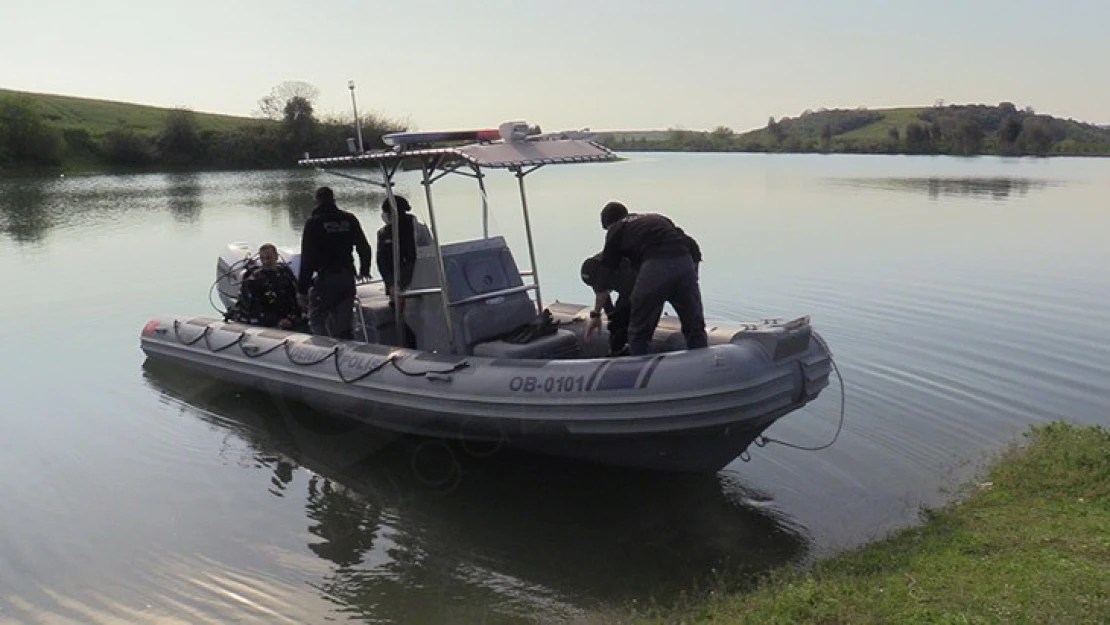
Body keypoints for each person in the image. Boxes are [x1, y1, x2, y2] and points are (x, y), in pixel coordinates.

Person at [594, 201, 708, 356]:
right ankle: (701, 361)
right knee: (694, 326)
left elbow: (605, 277)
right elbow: (692, 246)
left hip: (655, 266)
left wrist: (596, 314)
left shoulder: (616, 229)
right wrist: (692, 278)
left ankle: (636, 366)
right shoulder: (657, 218)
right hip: (684, 263)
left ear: (608, 223)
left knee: (639, 329)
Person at [296, 186, 373, 339]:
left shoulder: (314, 223)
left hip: (326, 279)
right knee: (344, 326)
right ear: (334, 200)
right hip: (346, 277)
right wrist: (364, 270)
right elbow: (364, 247)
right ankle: (346, 353)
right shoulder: (349, 219)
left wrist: (302, 289)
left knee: (317, 320)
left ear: (317, 201)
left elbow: (307, 258)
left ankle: (322, 352)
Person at [376, 195, 424, 347]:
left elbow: (382, 262)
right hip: (420, 280)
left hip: (403, 282)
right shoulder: (420, 229)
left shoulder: (386, 233)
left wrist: (391, 284)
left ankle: (409, 347)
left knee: (406, 319)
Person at [230, 243, 305, 330]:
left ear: (276, 257)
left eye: (268, 258)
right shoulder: (254, 280)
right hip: (268, 323)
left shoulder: (285, 272)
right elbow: (256, 309)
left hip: (289, 318)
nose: (265, 261)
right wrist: (278, 321)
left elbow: (295, 294)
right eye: (262, 258)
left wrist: (295, 316)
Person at [580, 252, 636, 356]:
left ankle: (631, 350)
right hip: (626, 286)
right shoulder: (595, 273)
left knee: (623, 319)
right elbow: (601, 295)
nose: (598, 287)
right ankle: (616, 350)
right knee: (615, 322)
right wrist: (598, 316)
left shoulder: (620, 267)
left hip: (639, 281)